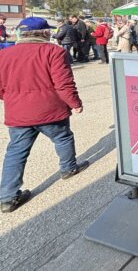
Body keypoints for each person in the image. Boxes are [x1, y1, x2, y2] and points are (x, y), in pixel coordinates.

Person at [0, 17, 88, 213]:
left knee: (15, 152)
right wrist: (75, 103)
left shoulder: (4, 54)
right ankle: (68, 168)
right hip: (50, 110)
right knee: (63, 138)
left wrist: (12, 98)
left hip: (18, 113)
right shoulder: (54, 52)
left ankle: (7, 197)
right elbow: (63, 83)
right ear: (44, 33)